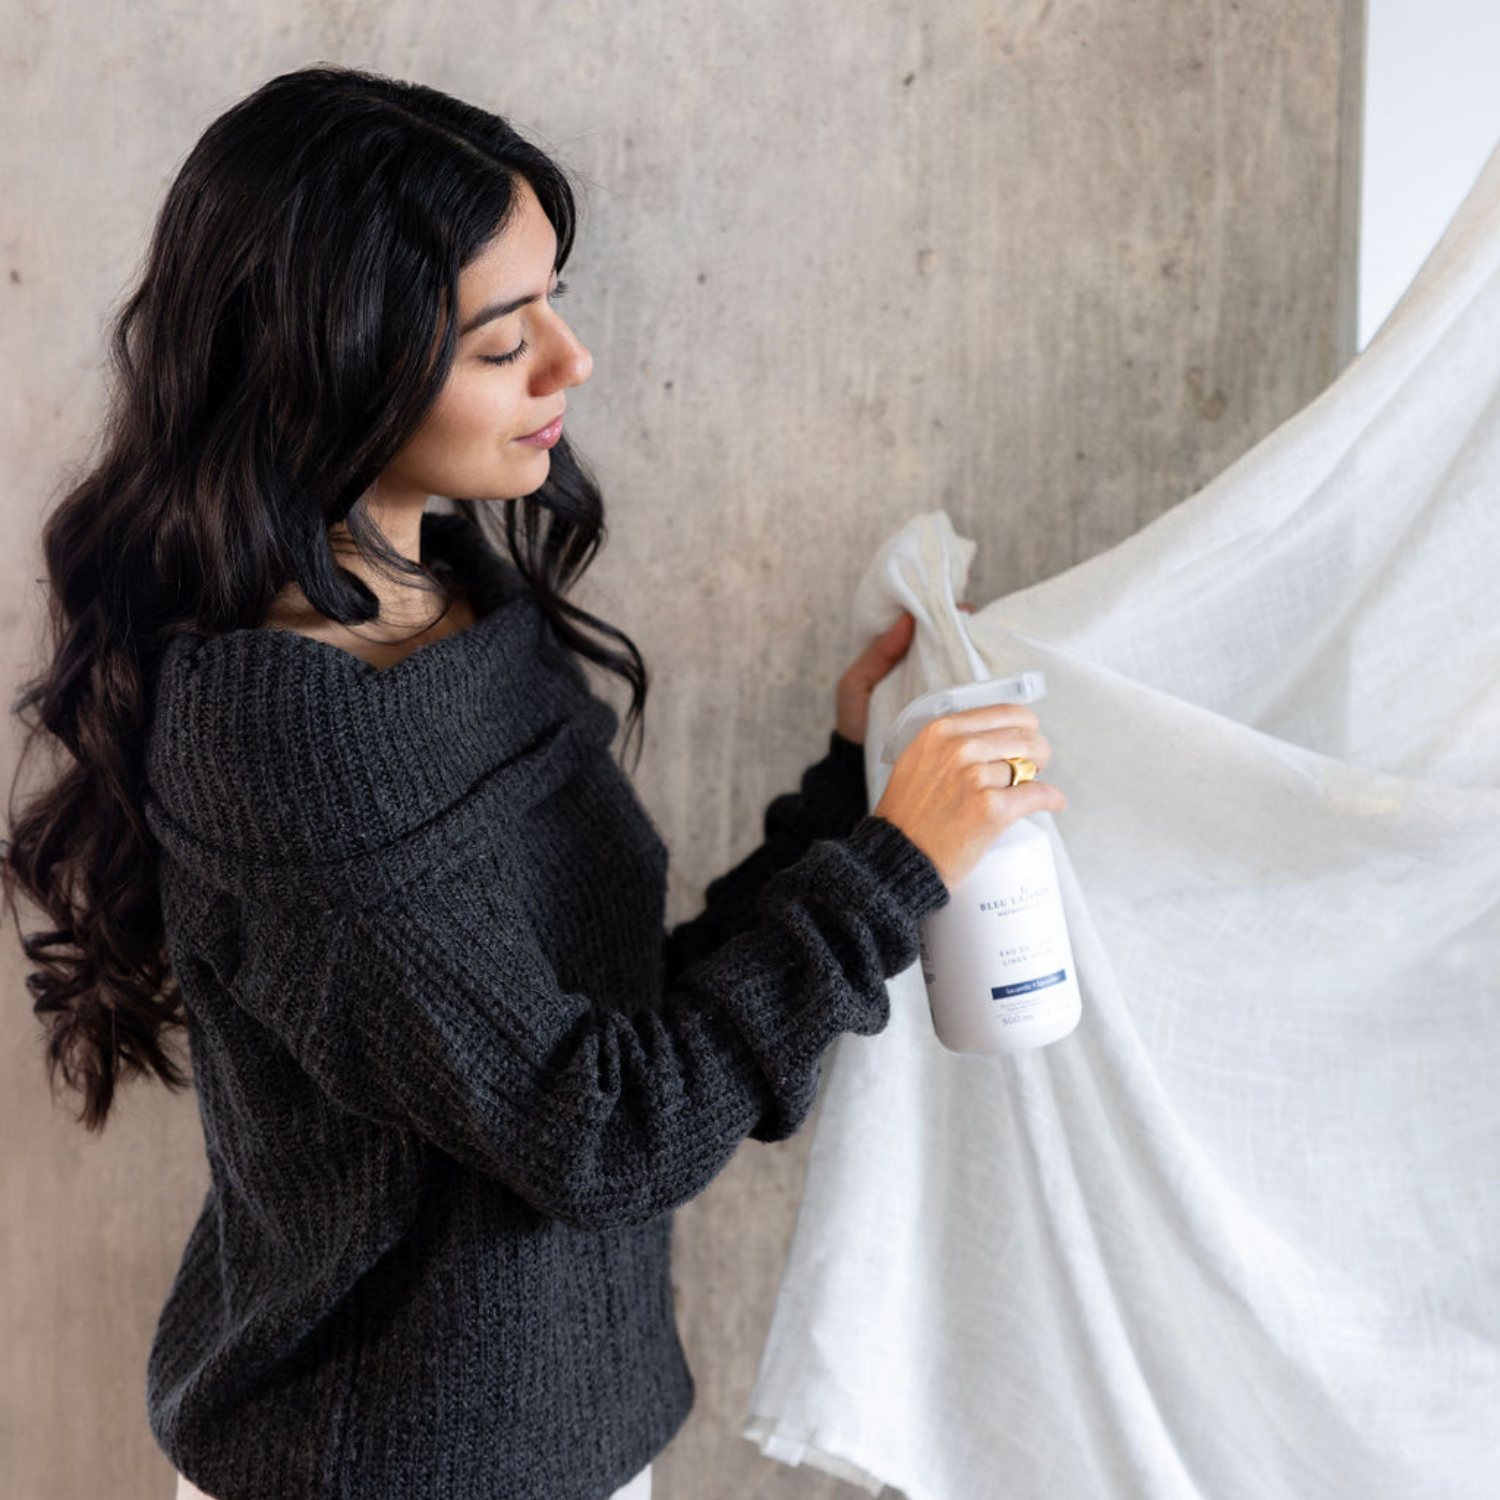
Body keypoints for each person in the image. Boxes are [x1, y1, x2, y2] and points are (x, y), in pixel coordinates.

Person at [2, 64, 1066, 1500]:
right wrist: (889, 869)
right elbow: (606, 1129)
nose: (573, 362)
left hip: (547, 1443)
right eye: (507, 340)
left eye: (553, 303)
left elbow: (617, 1026)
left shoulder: (449, 597)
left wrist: (848, 791)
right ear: (340, 362)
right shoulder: (293, 741)